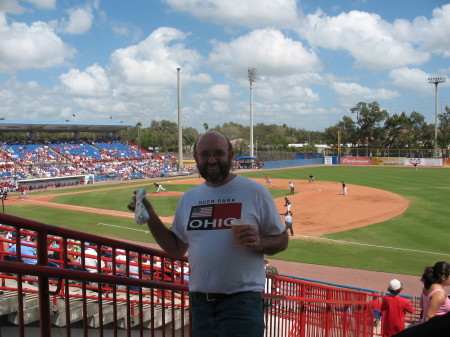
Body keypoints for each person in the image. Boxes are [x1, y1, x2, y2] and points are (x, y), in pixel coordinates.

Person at [128, 131, 288, 337]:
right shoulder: (189, 198)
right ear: (196, 158)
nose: (211, 160)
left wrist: (260, 242)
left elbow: (282, 240)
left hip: (241, 303)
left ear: (231, 155)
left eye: (218, 153)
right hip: (200, 304)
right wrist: (150, 215)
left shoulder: (255, 192)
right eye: (205, 154)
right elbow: (176, 248)